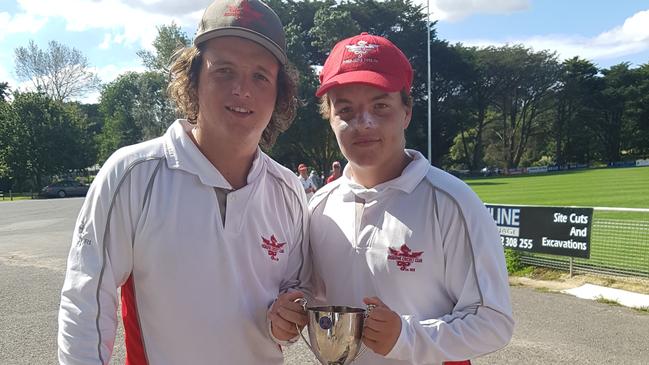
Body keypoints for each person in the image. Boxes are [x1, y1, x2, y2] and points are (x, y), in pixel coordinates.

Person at [57, 1, 309, 364]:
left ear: (279, 91)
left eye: (260, 76)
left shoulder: (288, 190)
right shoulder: (134, 174)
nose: (242, 89)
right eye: (224, 71)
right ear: (193, 79)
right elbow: (85, 302)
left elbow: (291, 293)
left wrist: (288, 316)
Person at [307, 32, 514, 365]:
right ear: (329, 117)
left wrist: (405, 338)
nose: (365, 123)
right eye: (346, 109)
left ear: (406, 111)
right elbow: (312, 296)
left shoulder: (452, 202)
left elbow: (493, 321)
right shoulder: (319, 206)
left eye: (381, 106)